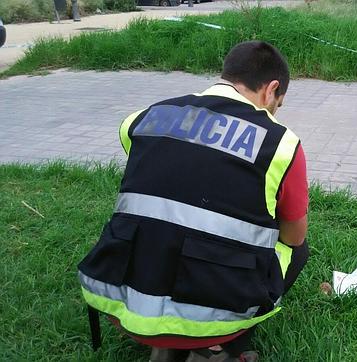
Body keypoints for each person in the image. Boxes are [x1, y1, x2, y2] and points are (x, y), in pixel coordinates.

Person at [77, 41, 309, 362]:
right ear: (271, 90)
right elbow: (294, 236)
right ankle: (218, 348)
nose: (272, 113)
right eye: (277, 105)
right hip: (213, 316)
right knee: (297, 248)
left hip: (120, 298)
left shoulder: (141, 119)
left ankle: (165, 339)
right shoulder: (281, 144)